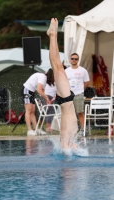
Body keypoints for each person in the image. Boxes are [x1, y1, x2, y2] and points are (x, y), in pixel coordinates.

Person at [47, 18, 78, 151]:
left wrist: (68, 148)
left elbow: (65, 150)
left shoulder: (64, 140)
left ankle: (52, 35)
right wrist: (75, 147)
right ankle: (53, 35)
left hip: (66, 100)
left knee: (57, 66)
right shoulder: (69, 140)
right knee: (57, 66)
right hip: (67, 99)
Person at [22, 69, 53, 136]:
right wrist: (47, 98)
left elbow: (43, 90)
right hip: (26, 90)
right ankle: (29, 130)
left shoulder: (45, 80)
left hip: (32, 92)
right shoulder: (43, 77)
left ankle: (36, 129)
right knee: (28, 110)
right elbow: (39, 90)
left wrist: (46, 100)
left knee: (33, 110)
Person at [65, 53, 90, 136]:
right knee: (69, 113)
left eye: (76, 59)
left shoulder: (83, 70)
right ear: (70, 59)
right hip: (68, 95)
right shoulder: (66, 71)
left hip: (79, 94)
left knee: (80, 112)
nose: (74, 60)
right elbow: (64, 82)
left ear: (78, 60)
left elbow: (87, 81)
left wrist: (82, 90)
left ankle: (83, 130)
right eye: (72, 58)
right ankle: (72, 130)